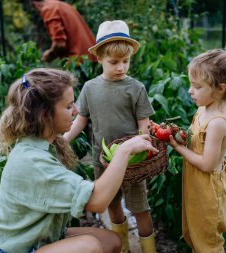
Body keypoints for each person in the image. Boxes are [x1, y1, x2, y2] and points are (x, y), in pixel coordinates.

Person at [0, 68, 158, 253]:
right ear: (45, 115)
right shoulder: (33, 161)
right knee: (89, 247)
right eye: (68, 106)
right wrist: (124, 151)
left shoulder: (40, 145)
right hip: (14, 250)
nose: (76, 111)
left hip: (37, 239)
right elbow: (98, 202)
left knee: (111, 241)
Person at [64, 20, 157, 253]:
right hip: (102, 159)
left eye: (125, 62)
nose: (121, 67)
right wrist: (64, 139)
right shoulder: (90, 88)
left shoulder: (135, 88)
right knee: (112, 203)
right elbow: (81, 121)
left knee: (140, 208)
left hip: (133, 161)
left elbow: (143, 124)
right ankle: (123, 246)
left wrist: (145, 150)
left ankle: (149, 249)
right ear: (99, 59)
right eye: (114, 62)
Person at [168, 43, 226, 253]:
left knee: (209, 242)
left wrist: (178, 147)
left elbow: (206, 164)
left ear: (220, 88)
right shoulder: (203, 110)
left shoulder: (217, 123)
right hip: (196, 185)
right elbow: (197, 142)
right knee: (195, 234)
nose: (190, 90)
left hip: (208, 191)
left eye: (197, 86)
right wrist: (181, 135)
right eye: (191, 84)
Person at [30, 0, 96, 62]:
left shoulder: (49, 10)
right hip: (92, 55)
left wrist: (49, 54)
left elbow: (60, 44)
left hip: (78, 60)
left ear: (34, 4)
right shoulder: (59, 5)